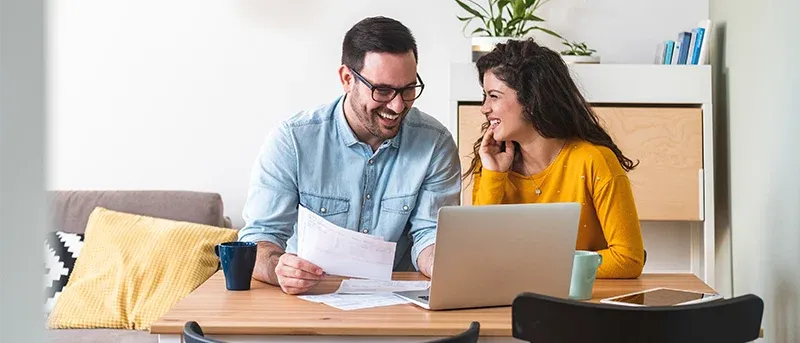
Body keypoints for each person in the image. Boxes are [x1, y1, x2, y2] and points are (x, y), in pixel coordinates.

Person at [238, 16, 461, 295]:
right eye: (382, 90)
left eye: (408, 90)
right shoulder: (292, 141)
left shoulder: (435, 143)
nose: (397, 105)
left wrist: (445, 264)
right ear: (347, 79)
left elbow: (430, 234)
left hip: (396, 306)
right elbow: (259, 239)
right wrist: (278, 268)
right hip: (307, 302)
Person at [465, 38, 645, 279]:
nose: (484, 108)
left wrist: (542, 267)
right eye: (484, 96)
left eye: (494, 96)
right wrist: (494, 176)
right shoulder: (490, 164)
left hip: (581, 304)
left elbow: (628, 259)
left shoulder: (594, 160)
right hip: (507, 300)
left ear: (530, 100)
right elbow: (476, 256)